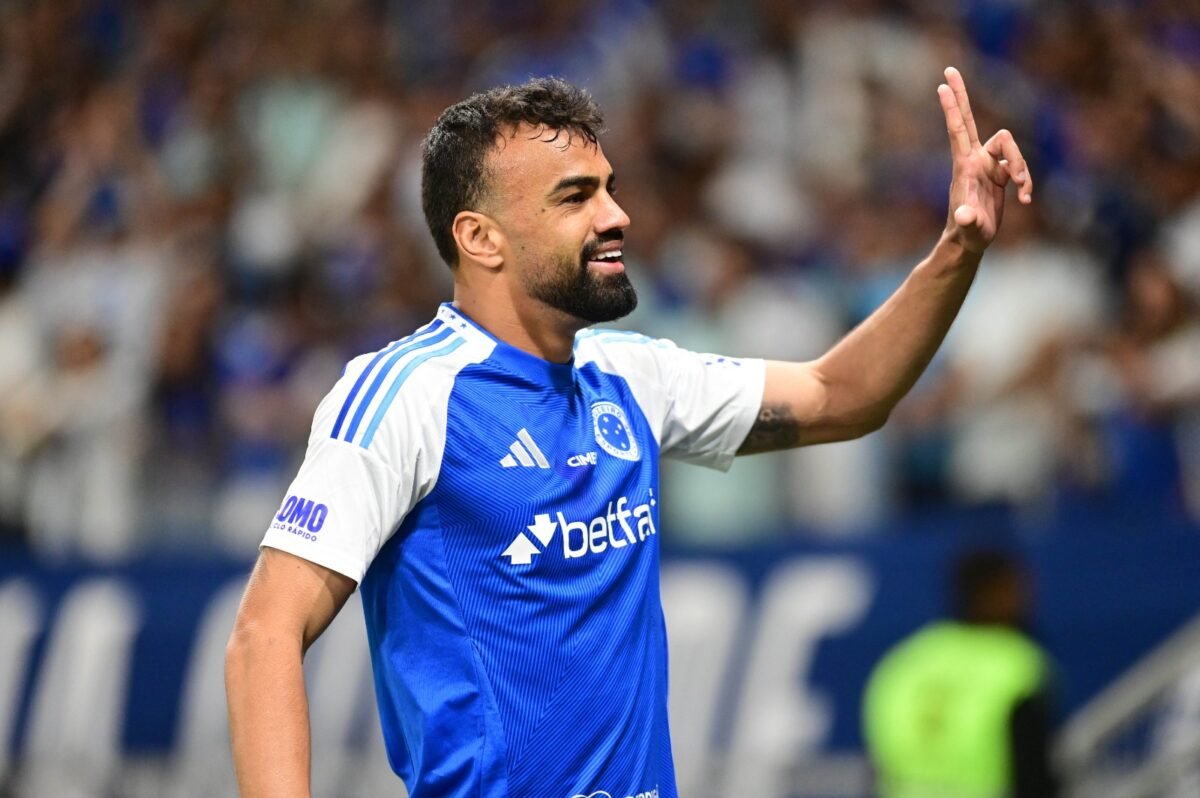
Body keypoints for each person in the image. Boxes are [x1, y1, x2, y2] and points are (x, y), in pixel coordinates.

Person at [226, 68, 1033, 797]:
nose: (618, 216)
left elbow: (840, 394)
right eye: (575, 197)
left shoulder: (628, 375)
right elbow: (265, 632)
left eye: (608, 188)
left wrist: (957, 248)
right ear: (480, 238)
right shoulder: (406, 395)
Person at [863, 549, 1059, 798]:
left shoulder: (904, 663)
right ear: (990, 592)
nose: (1025, 598)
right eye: (1014, 588)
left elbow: (877, 770)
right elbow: (1033, 777)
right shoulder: (1017, 664)